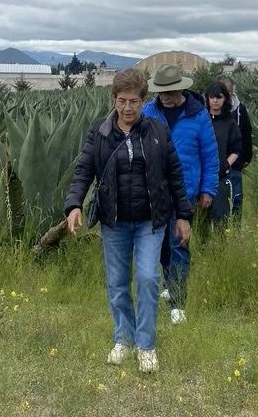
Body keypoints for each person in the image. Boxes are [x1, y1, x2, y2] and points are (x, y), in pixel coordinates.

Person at [64, 68, 192, 373]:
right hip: (115, 221)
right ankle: (124, 338)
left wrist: (183, 215)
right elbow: (84, 170)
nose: (127, 107)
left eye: (133, 101)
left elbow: (175, 174)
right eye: (121, 101)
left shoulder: (157, 130)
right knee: (118, 282)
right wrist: (74, 205)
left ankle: (146, 345)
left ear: (143, 101)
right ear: (113, 99)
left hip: (150, 221)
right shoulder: (100, 132)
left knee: (147, 278)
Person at [142, 64, 219, 324]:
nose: (165, 96)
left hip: (185, 192)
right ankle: (169, 282)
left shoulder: (198, 115)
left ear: (180, 90)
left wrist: (208, 189)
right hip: (154, 191)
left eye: (169, 92)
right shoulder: (148, 112)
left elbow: (209, 155)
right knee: (161, 245)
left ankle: (178, 302)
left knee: (179, 245)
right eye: (161, 92)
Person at [204, 81, 243, 224]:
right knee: (201, 220)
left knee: (221, 218)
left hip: (221, 177)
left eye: (219, 97)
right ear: (207, 98)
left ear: (225, 98)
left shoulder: (229, 122)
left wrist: (226, 164)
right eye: (212, 97)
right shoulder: (201, 120)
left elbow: (236, 148)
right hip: (201, 176)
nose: (215, 100)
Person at [216, 75, 253, 217]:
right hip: (215, 163)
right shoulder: (208, 110)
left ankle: (235, 224)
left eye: (228, 92)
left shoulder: (239, 109)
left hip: (235, 163)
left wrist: (246, 157)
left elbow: (246, 132)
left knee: (236, 196)